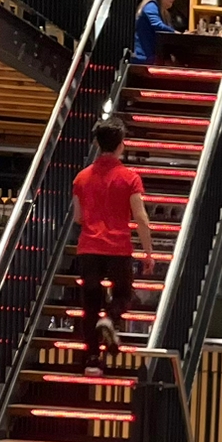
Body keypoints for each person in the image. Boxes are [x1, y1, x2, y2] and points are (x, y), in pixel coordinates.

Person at [72, 118, 153, 375]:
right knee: (123, 294)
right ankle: (109, 319)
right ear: (121, 145)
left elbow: (78, 217)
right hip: (118, 247)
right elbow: (140, 216)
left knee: (90, 305)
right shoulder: (129, 178)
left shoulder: (81, 178)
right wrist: (148, 252)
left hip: (89, 247)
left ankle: (92, 360)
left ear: (97, 144)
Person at [133, 0, 176, 65]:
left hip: (150, 58)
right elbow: (157, 25)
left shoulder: (164, 13)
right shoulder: (151, 5)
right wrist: (177, 33)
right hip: (143, 57)